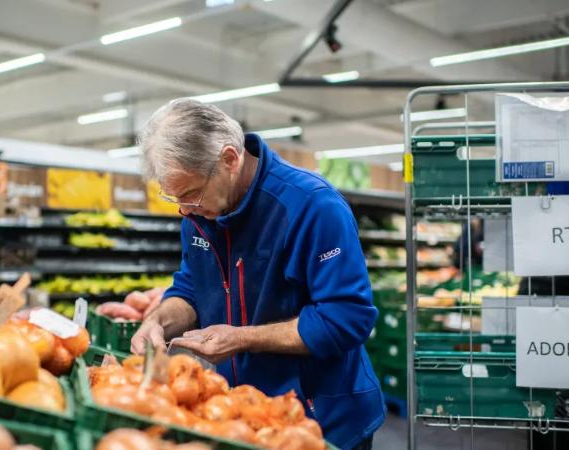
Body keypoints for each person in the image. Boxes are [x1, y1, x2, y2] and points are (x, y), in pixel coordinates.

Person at [130, 99, 385, 450]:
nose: (184, 210)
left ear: (230, 160)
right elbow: (191, 287)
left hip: (321, 421)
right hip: (245, 414)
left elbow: (346, 318)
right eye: (173, 197)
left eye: (190, 194)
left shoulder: (313, 206)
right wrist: (157, 320)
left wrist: (242, 338)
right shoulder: (198, 216)